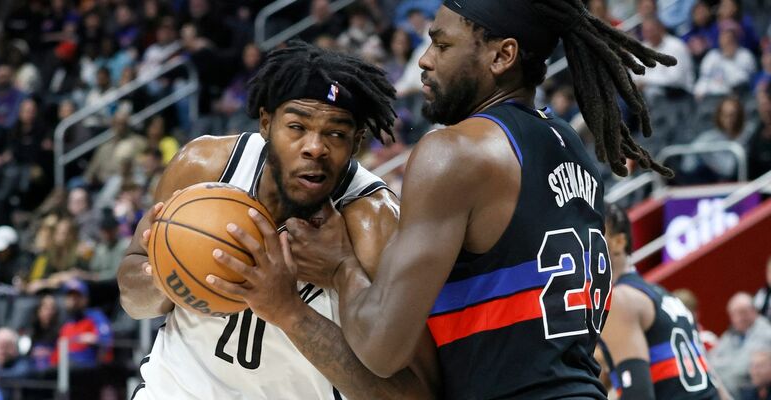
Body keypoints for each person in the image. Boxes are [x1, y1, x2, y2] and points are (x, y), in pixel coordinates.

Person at [232, 0, 678, 398]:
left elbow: (381, 350)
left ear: (502, 56)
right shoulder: (572, 147)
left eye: (442, 45)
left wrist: (340, 268)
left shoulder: (455, 152)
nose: (425, 60)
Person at [117, 42, 438, 400]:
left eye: (335, 133)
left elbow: (415, 394)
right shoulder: (205, 166)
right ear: (266, 123)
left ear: (357, 142)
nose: (315, 147)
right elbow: (132, 298)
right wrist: (172, 272)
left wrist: (289, 311)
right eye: (297, 126)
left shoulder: (374, 224)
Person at [598, 204, 724, 399]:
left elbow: (638, 395)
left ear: (619, 242)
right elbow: (714, 382)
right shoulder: (663, 295)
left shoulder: (619, 300)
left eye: (592, 234)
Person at [710, 292, 771, 396]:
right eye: (734, 314)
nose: (739, 318)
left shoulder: (766, 332)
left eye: (743, 312)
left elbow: (743, 368)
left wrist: (723, 366)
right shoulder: (730, 334)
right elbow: (711, 363)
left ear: (754, 311)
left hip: (749, 392)